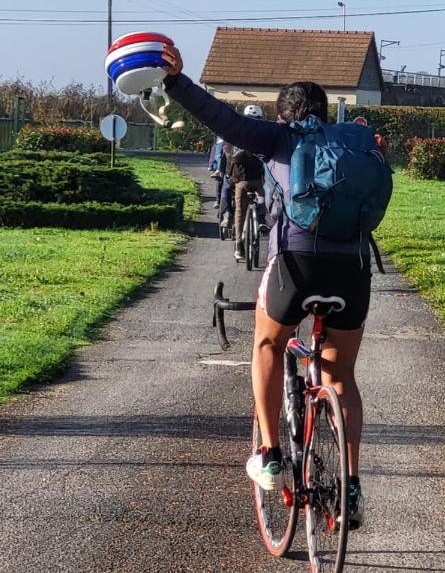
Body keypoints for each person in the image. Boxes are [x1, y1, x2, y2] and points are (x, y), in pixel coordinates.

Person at [161, 44, 367, 528]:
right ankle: (352, 487)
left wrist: (175, 82)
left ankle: (271, 456)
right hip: (353, 269)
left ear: (285, 114)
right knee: (341, 376)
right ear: (324, 109)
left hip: (296, 265)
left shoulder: (278, 139)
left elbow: (219, 118)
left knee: (269, 342)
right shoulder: (355, 142)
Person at [228, 106, 266, 260]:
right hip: (256, 180)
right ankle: (262, 220)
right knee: (264, 198)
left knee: (240, 211)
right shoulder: (262, 134)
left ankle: (238, 245)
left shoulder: (236, 133)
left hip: (241, 180)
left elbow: (232, 157)